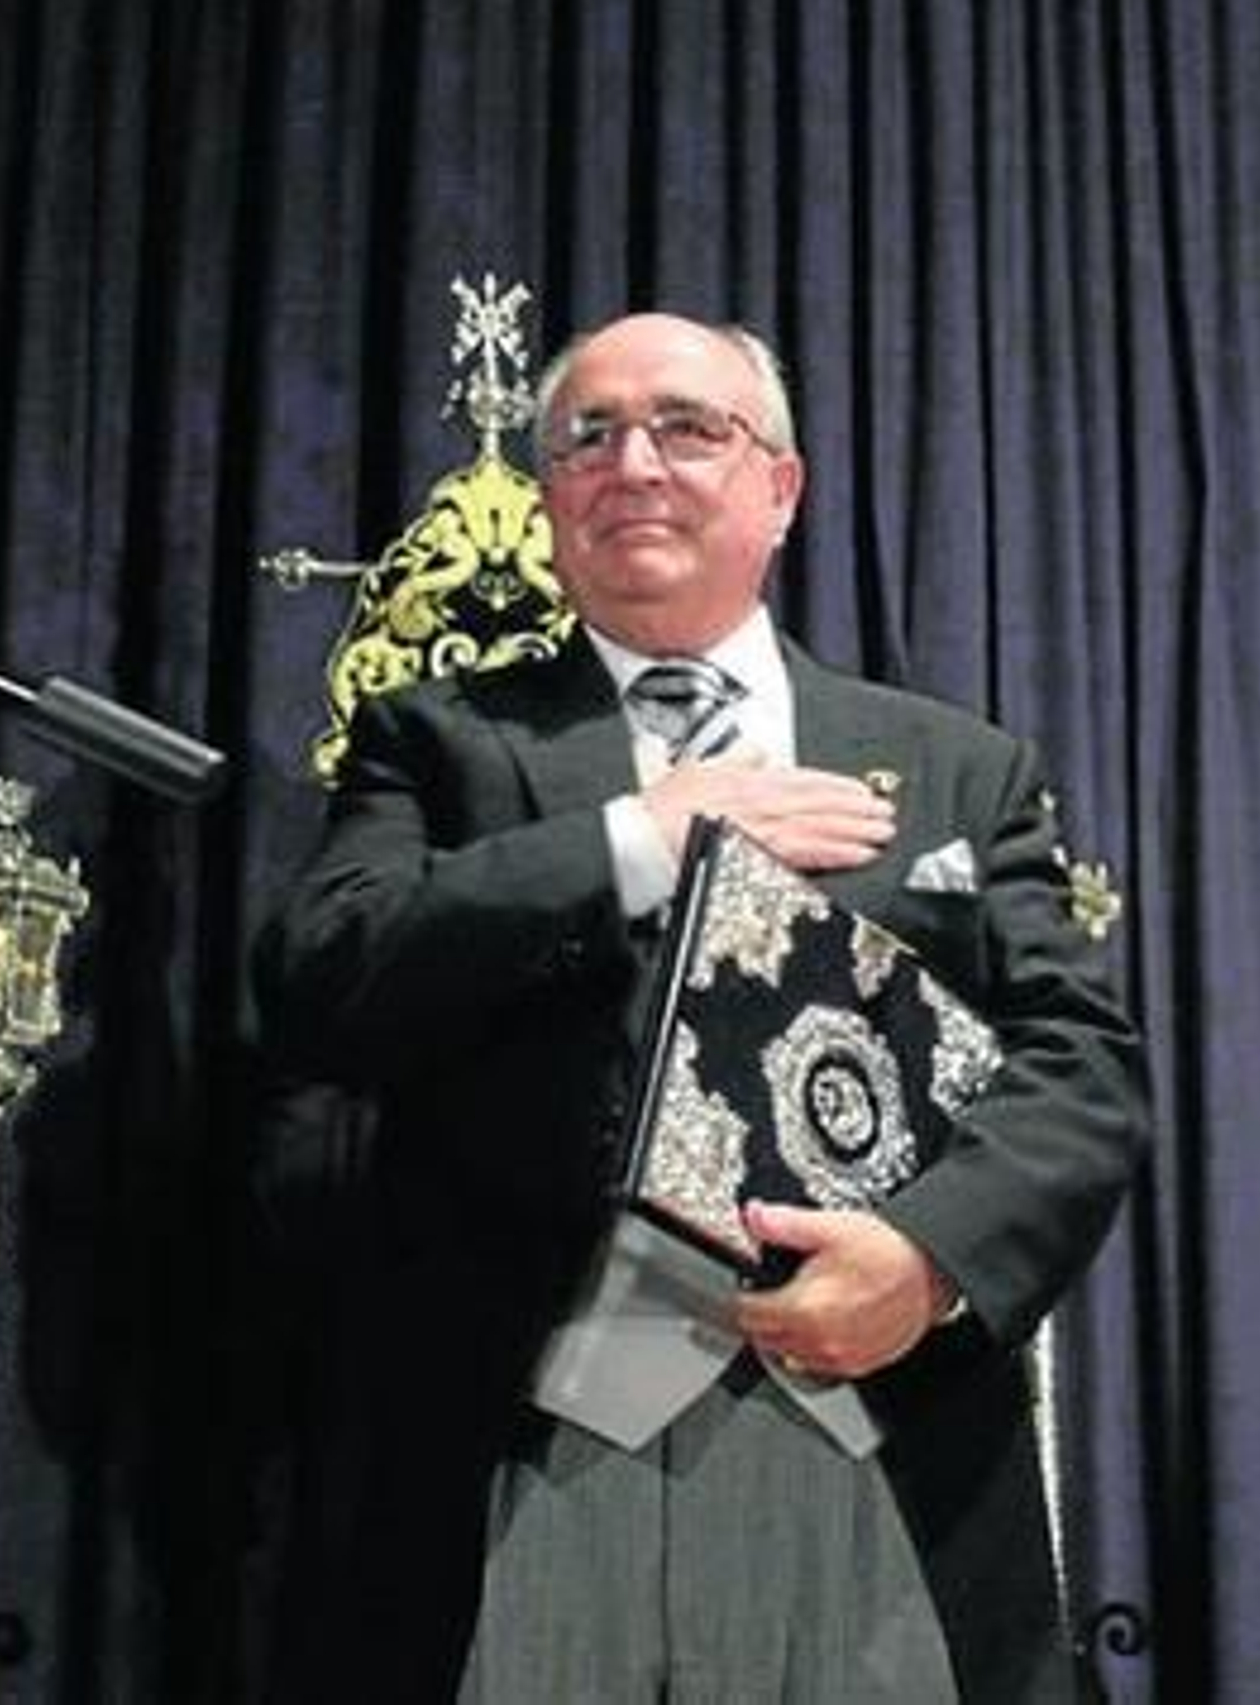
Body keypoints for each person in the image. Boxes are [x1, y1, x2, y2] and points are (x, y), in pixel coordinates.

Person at [250, 311, 1149, 1703]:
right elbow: (326, 976)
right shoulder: (436, 741)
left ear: (779, 488)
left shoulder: (958, 766)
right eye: (589, 437)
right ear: (549, 496)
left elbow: (1078, 1066)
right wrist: (645, 834)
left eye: (687, 427)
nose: (634, 464)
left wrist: (925, 1262)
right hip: (531, 1443)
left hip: (878, 1443)